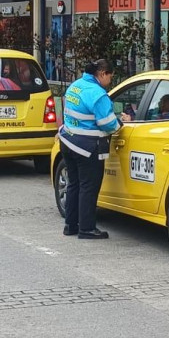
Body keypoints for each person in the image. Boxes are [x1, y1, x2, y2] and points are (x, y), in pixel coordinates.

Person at [59, 59, 121, 240]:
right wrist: (121, 121)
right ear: (102, 74)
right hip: (87, 147)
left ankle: (70, 226)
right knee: (88, 187)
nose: (111, 81)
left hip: (68, 142)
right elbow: (109, 125)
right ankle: (86, 228)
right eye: (110, 76)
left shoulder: (76, 86)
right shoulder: (98, 94)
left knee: (74, 184)